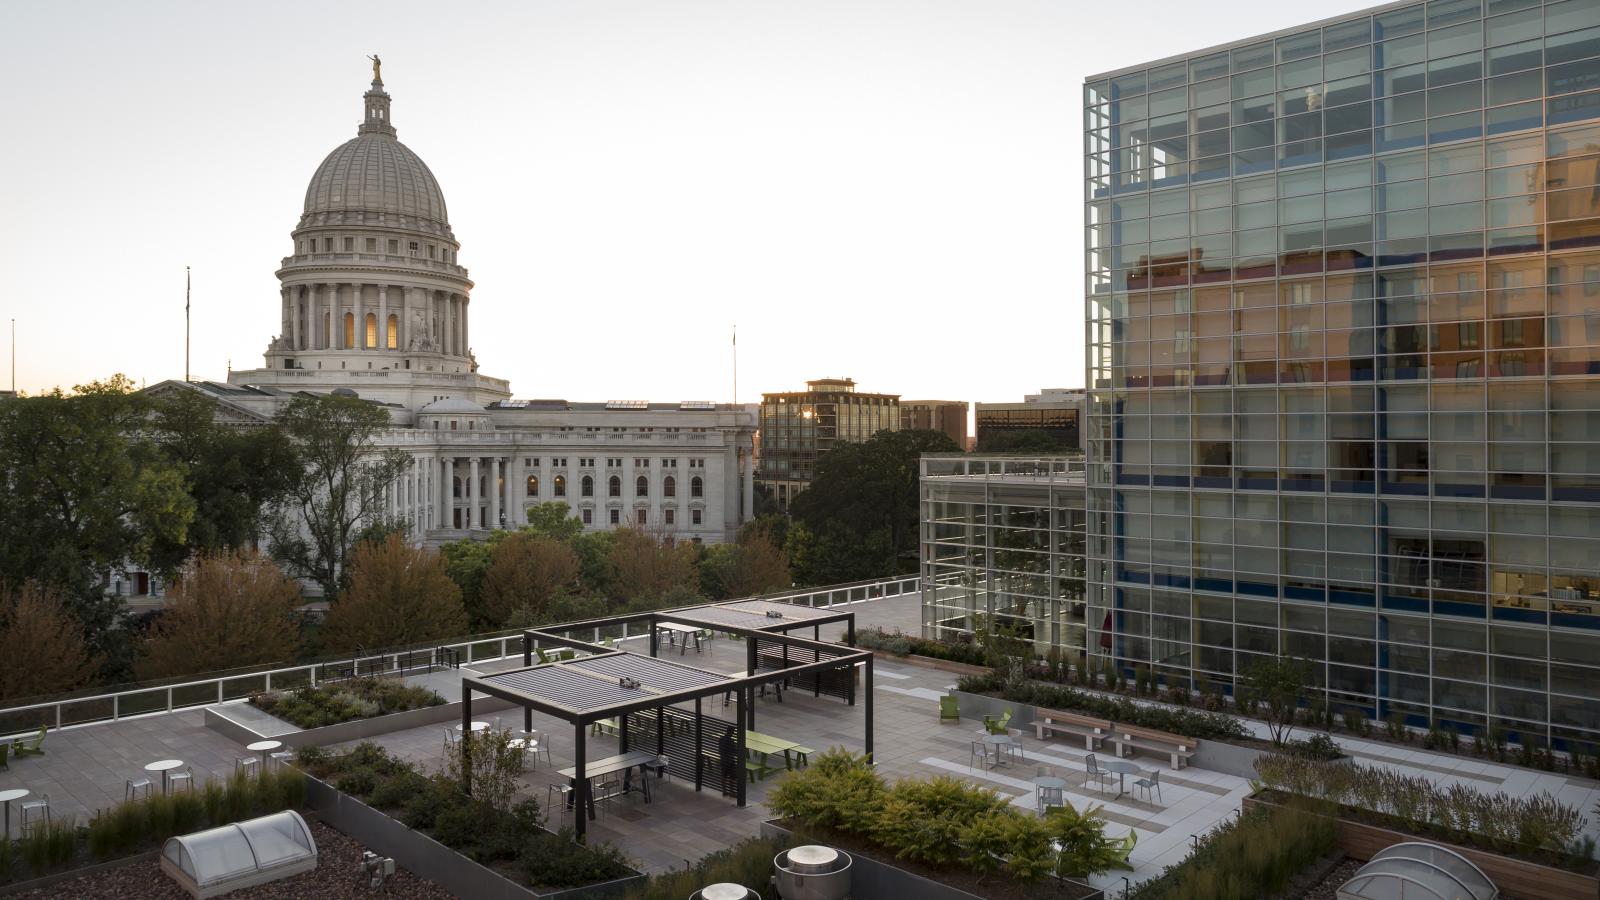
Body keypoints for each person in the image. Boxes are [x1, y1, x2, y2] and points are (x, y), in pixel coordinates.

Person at [718, 725, 738, 796]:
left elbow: (720, 750)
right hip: (730, 761)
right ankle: (732, 792)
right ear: (732, 732)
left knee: (724, 775)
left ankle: (724, 791)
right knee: (732, 776)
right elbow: (735, 751)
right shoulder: (730, 741)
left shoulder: (721, 739)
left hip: (723, 760)